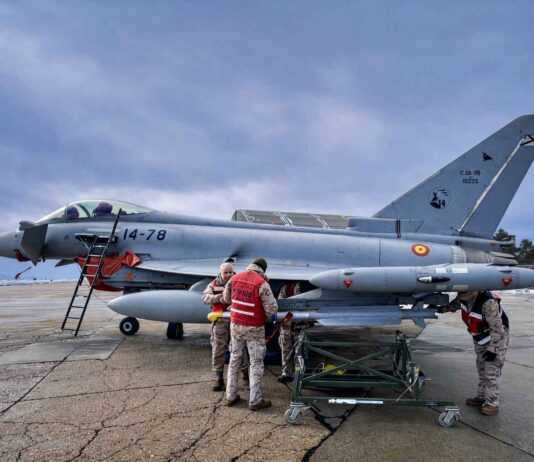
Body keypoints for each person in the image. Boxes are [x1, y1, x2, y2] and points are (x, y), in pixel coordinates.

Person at [440, 291, 510, 415]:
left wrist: (493, 349)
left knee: (492, 370)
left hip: (496, 338)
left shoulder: (488, 302)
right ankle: (482, 397)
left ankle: (492, 403)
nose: (461, 294)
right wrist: (441, 308)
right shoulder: (463, 297)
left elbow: (498, 329)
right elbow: (454, 305)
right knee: (481, 367)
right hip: (480, 337)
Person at [223, 258, 278, 411]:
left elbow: (226, 298)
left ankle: (230, 396)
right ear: (262, 270)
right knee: (256, 363)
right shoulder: (262, 283)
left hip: (235, 326)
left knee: (234, 360)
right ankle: (255, 401)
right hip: (254, 328)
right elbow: (272, 309)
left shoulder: (234, 278)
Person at [277, 281, 302, 383]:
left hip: (298, 328)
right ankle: (286, 373)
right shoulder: (285, 288)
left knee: (298, 353)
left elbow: (300, 304)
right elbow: (280, 303)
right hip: (286, 327)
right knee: (285, 351)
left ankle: (298, 374)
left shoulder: (300, 287)